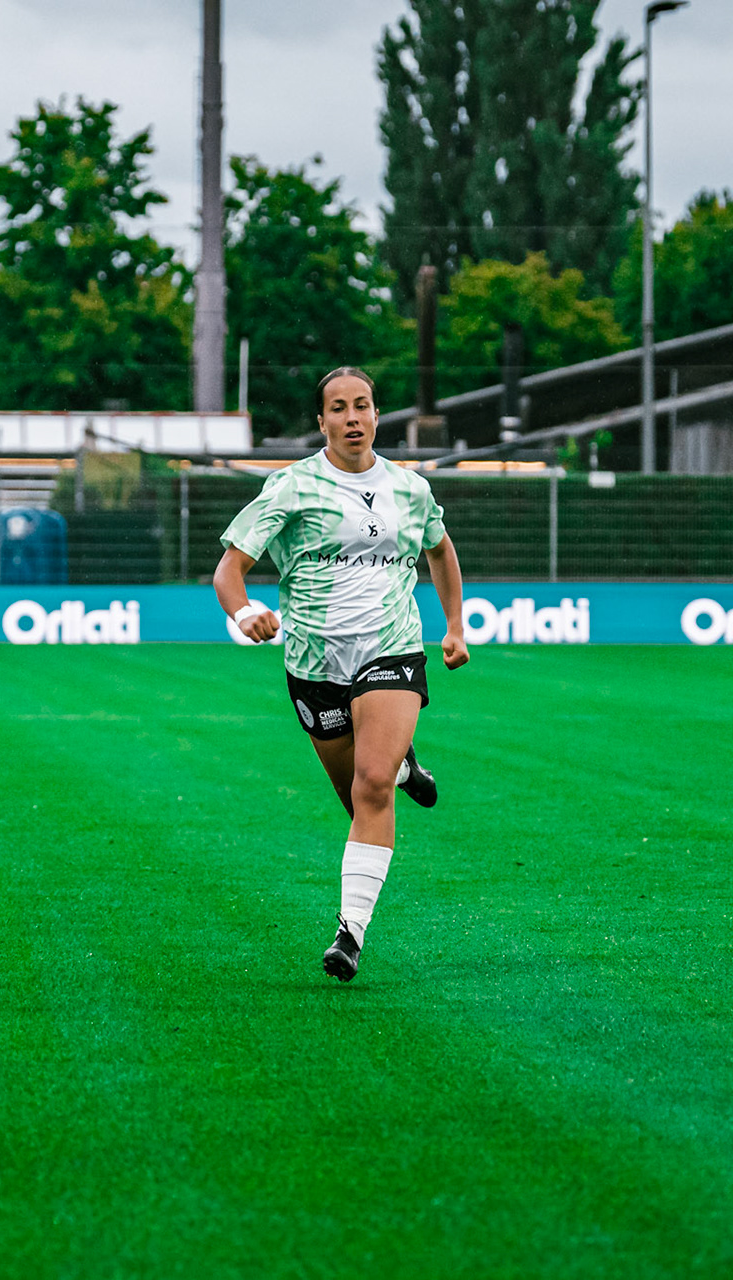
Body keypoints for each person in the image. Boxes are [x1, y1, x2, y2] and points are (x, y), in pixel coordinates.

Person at [213, 366, 469, 982]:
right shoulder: (291, 487)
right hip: (313, 662)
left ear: (377, 415)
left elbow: (439, 549)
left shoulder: (410, 488)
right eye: (338, 408)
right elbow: (230, 569)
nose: (352, 418)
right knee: (353, 794)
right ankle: (406, 763)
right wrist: (245, 610)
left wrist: (453, 624)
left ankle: (349, 931)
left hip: (392, 647)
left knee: (371, 786)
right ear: (321, 421)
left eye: (362, 406)